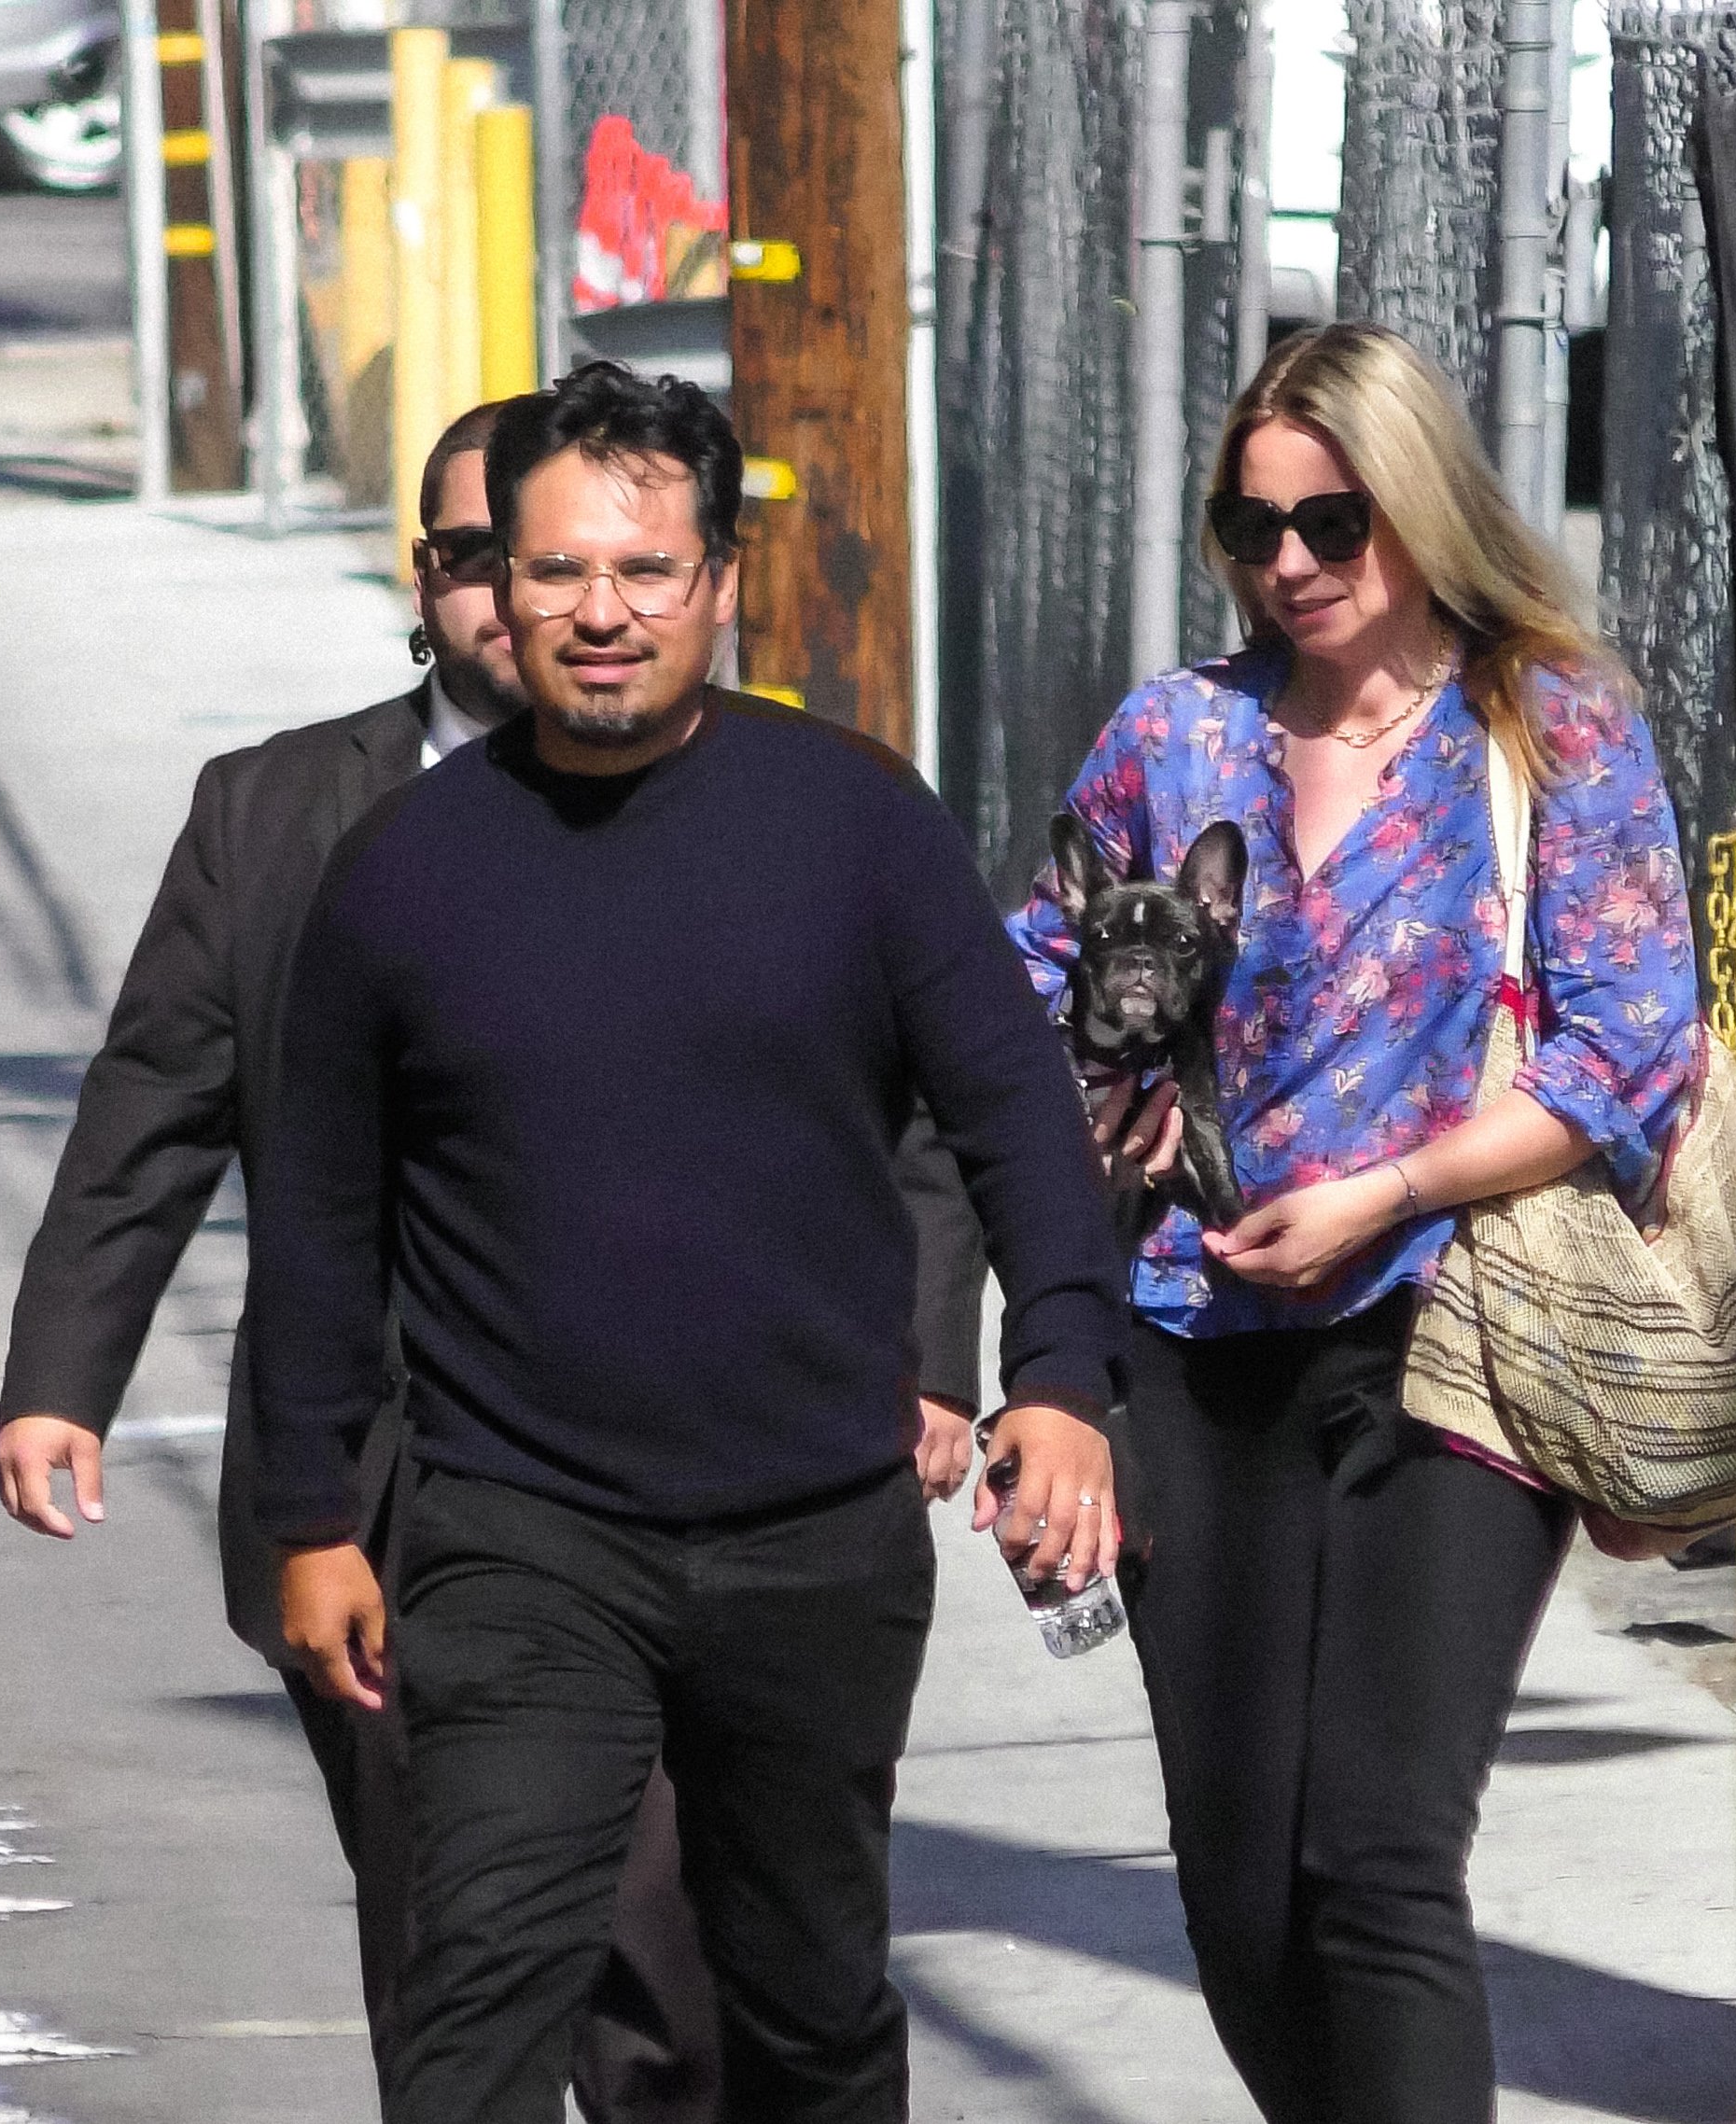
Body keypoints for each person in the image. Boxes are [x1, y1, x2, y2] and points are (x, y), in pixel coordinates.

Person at [250, 360, 1134, 2124]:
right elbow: (321, 1221)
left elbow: (1017, 1118)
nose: (598, 614)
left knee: (804, 2001)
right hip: (519, 1535)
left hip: (813, 1531)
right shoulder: (404, 873)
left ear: (722, 582)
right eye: (555, 570)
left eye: (646, 573)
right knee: (481, 1994)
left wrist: (1061, 1379)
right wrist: (311, 1522)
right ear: (494, 583)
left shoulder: (860, 824)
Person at [7, 398, 902, 2122]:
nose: (526, 599)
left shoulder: (777, 808)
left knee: (663, 1965)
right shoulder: (278, 812)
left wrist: (935, 1364)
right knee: (452, 1960)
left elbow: (914, 1116)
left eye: (568, 561)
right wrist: (62, 1376)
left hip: (639, 1471)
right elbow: (156, 1107)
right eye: (479, 561)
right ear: (424, 583)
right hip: (367, 1472)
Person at [1003, 320, 1700, 2124]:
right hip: (1188, 1342)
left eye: (1336, 524)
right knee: (1242, 1899)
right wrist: (1101, 1109)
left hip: (1452, 1329)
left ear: (1421, 511)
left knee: (1378, 1857)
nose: (1294, 564)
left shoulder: (1548, 725)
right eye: (1254, 528)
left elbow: (1633, 1052)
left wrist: (1387, 1189)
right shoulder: (1178, 732)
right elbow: (1023, 986)